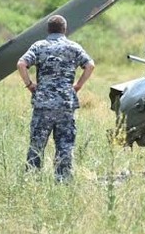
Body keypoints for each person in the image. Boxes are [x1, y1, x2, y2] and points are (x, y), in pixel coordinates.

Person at [16, 14, 94, 181]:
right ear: (64, 29)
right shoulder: (73, 47)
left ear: (48, 29)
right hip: (66, 103)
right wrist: (78, 86)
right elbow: (90, 65)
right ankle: (63, 181)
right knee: (65, 146)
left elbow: (22, 64)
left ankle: (31, 181)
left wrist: (30, 85)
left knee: (37, 145)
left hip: (43, 104)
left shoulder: (39, 46)